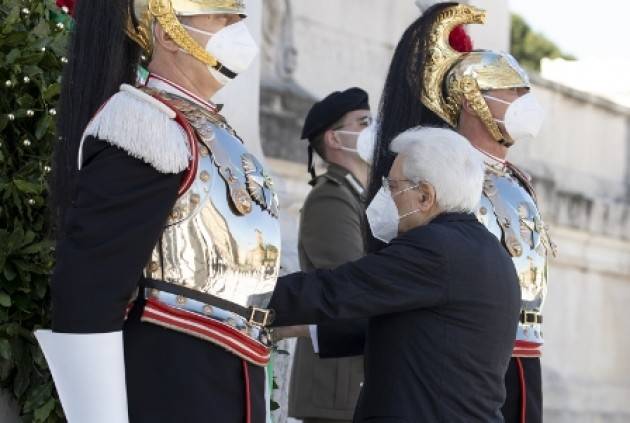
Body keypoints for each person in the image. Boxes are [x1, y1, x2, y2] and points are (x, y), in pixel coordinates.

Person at [36, 0, 279, 422]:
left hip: (229, 386)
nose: (236, 28)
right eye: (221, 17)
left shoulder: (213, 131)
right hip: (172, 388)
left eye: (237, 17)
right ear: (168, 34)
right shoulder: (145, 126)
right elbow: (90, 288)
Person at [367, 3, 557, 422]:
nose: (525, 102)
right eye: (513, 91)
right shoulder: (428, 168)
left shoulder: (518, 182)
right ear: (473, 100)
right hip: (462, 352)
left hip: (526, 351)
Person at [269, 126, 521, 422]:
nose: (385, 197)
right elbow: (412, 329)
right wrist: (303, 328)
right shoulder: (489, 251)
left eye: (392, 186)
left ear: (425, 196)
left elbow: (339, 288)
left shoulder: (434, 248)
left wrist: (243, 291)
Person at [288, 88, 373, 423]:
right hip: (337, 389)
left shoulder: (361, 198)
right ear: (335, 139)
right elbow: (356, 286)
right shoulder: (331, 199)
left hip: (357, 381)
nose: (373, 130)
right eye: (363, 122)